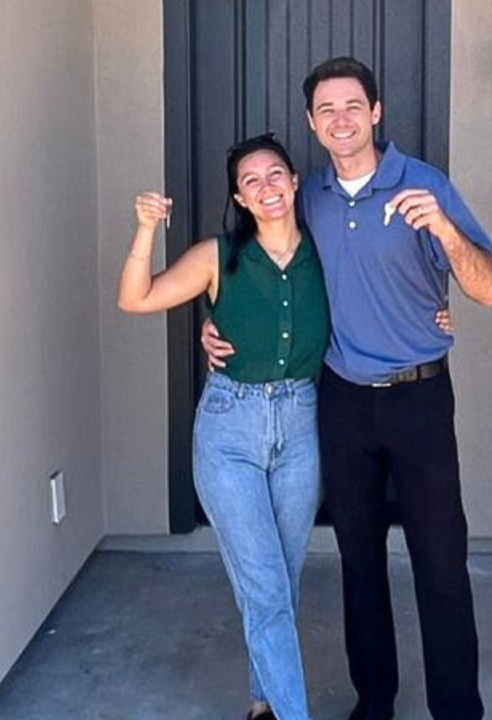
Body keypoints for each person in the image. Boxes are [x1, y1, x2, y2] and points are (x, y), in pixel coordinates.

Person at [204, 57, 492, 720]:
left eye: (351, 106)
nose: (340, 119)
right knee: (358, 561)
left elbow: (489, 288)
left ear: (375, 113)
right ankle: (376, 701)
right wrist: (213, 326)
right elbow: (257, 271)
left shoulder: (423, 186)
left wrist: (444, 231)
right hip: (341, 399)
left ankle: (458, 708)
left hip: (419, 397)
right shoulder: (304, 196)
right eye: (326, 110)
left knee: (441, 564)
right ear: (313, 123)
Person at [118, 134, 324, 720]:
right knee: (266, 588)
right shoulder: (218, 256)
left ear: (294, 181)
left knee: (281, 581)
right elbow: (137, 298)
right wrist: (143, 230)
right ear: (240, 196)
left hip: (300, 425)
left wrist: (433, 310)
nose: (267, 186)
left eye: (276, 174)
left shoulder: (324, 249)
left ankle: (263, 704)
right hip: (230, 431)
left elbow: (377, 289)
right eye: (252, 180)